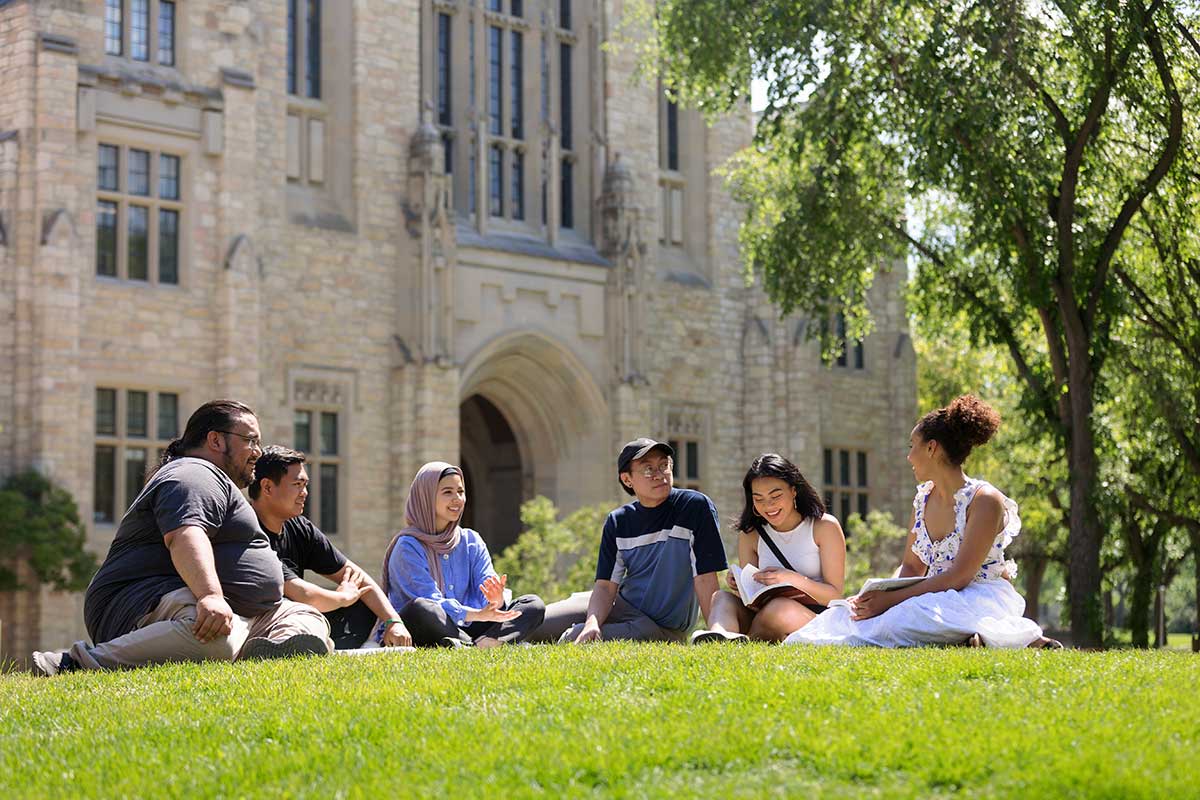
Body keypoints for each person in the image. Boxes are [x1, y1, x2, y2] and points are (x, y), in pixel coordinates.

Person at [32, 400, 332, 675]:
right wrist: (210, 597)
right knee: (217, 640)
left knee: (306, 619)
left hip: (240, 609)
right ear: (216, 440)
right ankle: (73, 663)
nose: (258, 452)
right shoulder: (194, 473)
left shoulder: (211, 479)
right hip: (143, 599)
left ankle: (264, 651)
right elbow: (185, 534)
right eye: (250, 440)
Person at [785, 395, 1061, 649]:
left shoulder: (984, 500)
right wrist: (877, 595)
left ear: (931, 448)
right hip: (932, 593)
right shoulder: (923, 499)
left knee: (906, 617)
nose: (908, 457)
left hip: (978, 594)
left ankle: (997, 636)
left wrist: (893, 601)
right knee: (843, 617)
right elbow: (912, 565)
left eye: (911, 446)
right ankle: (965, 638)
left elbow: (960, 576)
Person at [530, 438, 727, 644]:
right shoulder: (619, 521)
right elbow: (606, 587)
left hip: (659, 627)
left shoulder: (694, 507)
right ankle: (496, 636)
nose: (660, 474)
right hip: (620, 605)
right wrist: (592, 623)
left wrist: (715, 631)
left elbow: (705, 578)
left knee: (574, 637)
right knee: (535, 622)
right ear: (627, 479)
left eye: (664, 465)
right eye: (648, 469)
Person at [249, 446, 412, 650]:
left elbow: (358, 578)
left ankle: (332, 649)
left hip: (301, 618)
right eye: (297, 484)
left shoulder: (299, 527)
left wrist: (393, 622)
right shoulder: (246, 529)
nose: (304, 493)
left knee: (362, 601)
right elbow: (303, 594)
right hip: (261, 622)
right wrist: (343, 597)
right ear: (267, 488)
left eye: (305, 485)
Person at [382, 462, 545, 648]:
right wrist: (476, 614)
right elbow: (429, 600)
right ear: (425, 497)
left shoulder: (470, 540)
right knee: (423, 608)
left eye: (460, 491)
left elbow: (487, 583)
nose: (457, 499)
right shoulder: (408, 546)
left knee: (533, 604)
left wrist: (495, 600)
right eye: (447, 492)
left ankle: (477, 645)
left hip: (471, 624)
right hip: (429, 625)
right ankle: (485, 645)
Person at [692, 453, 845, 643]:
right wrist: (740, 585)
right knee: (721, 597)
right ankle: (721, 638)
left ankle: (741, 648)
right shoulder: (750, 534)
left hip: (813, 616)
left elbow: (834, 594)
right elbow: (752, 602)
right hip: (764, 613)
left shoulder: (824, 527)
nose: (768, 506)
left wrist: (792, 579)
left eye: (776, 496)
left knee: (778, 608)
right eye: (759, 499)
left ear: (793, 490)